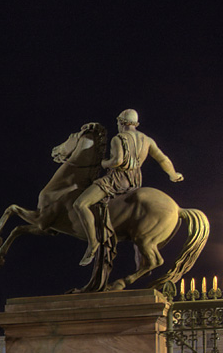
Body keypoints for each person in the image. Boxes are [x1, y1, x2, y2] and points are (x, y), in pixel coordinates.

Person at [73, 109, 184, 266]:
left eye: (118, 122)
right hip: (134, 182)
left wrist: (102, 162)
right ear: (135, 124)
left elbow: (117, 161)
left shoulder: (118, 138)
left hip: (115, 180)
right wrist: (173, 174)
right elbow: (162, 158)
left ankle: (92, 244)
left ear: (121, 122)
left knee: (80, 204)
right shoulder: (147, 140)